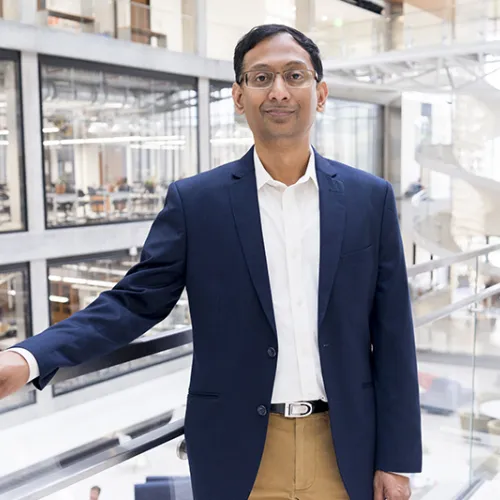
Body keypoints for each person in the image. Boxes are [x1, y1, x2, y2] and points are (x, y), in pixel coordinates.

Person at [0, 24, 421, 500]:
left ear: (320, 94)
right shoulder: (197, 202)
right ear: (239, 98)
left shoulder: (371, 199)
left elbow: (393, 335)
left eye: (294, 75)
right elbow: (135, 302)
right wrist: (30, 356)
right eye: (261, 78)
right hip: (237, 450)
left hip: (348, 446)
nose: (278, 90)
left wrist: (397, 458)